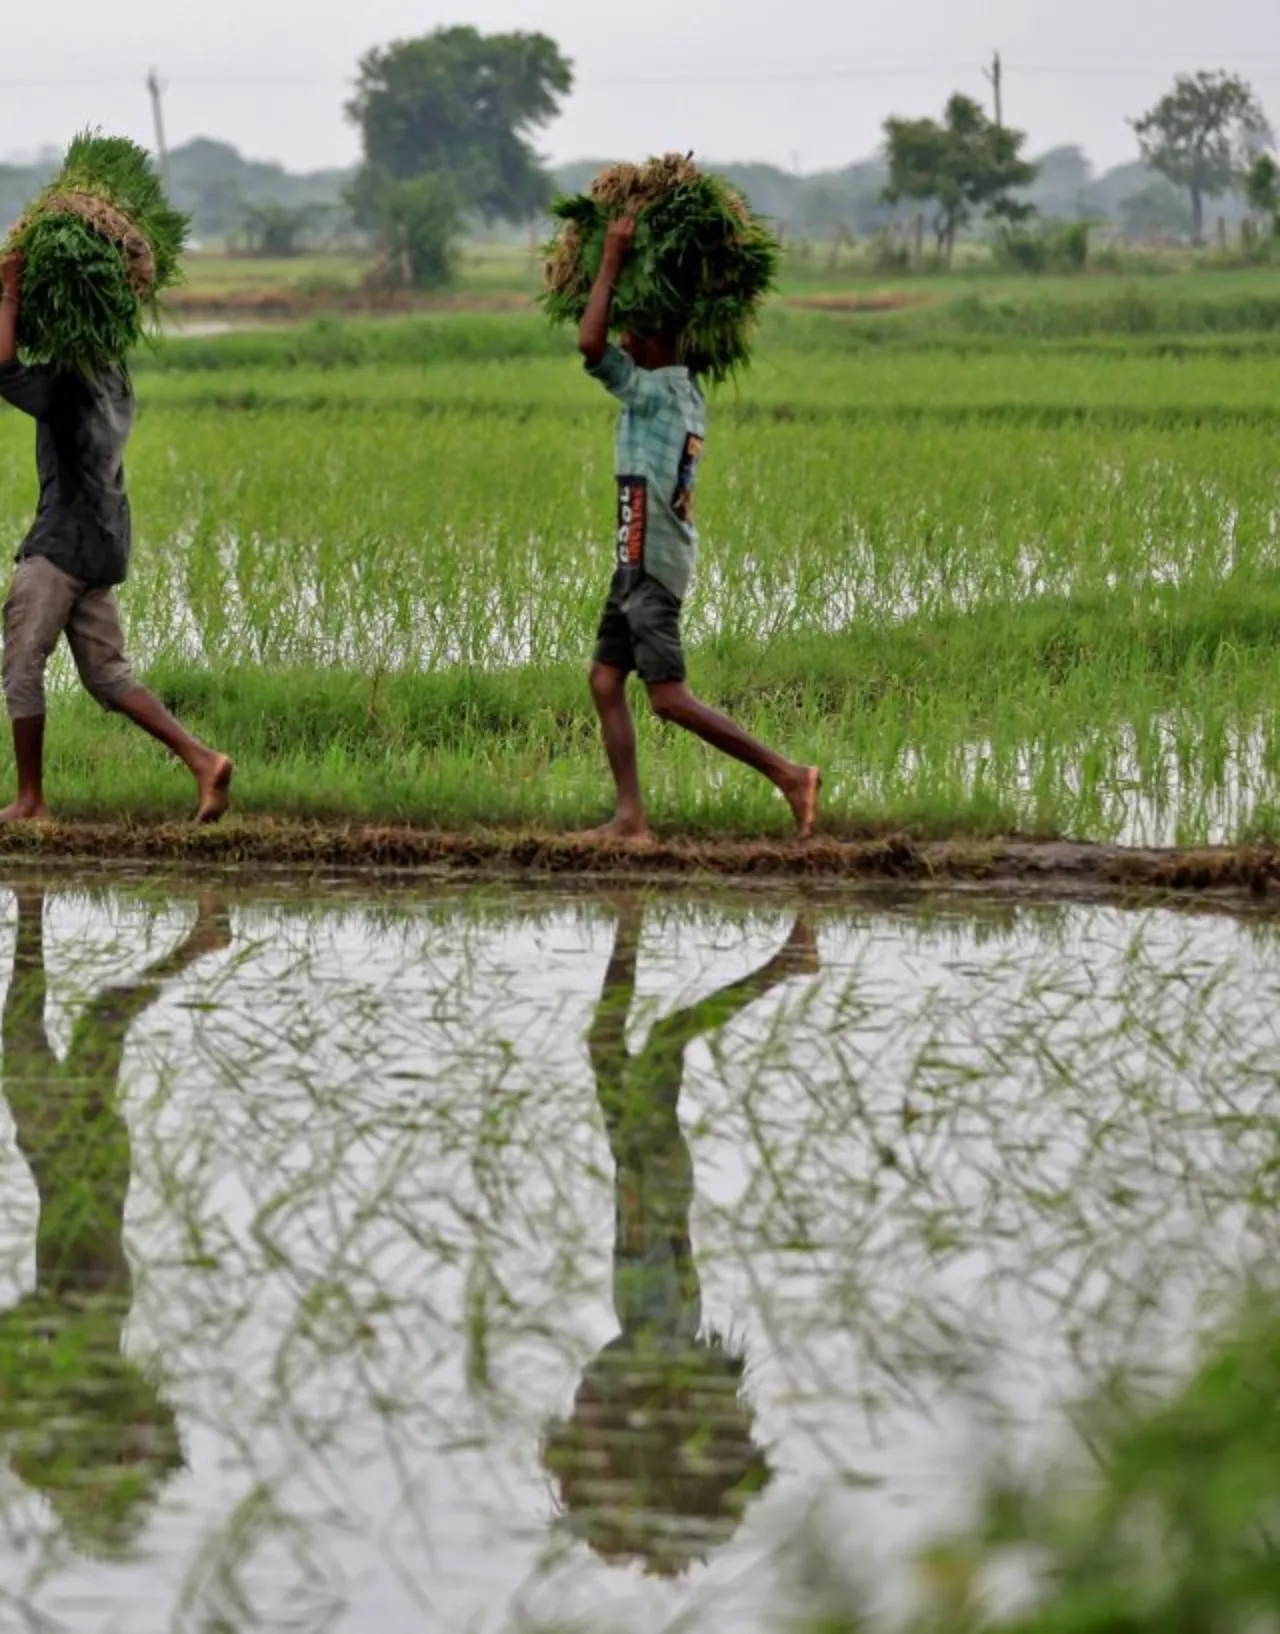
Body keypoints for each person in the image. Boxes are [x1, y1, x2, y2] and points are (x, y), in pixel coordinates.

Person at [541, 902, 820, 1575]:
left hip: (642, 1177)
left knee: (608, 1042)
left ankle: (630, 926)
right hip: (651, 1176)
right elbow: (656, 1237)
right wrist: (638, 1191)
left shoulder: (653, 1339)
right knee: (663, 1040)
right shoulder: (659, 1337)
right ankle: (786, 962)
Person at [0, 887, 230, 1554]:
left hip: (55, 1168)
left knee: (26, 1028)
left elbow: (7, 1368)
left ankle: (31, 911)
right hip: (82, 1182)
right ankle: (200, 939)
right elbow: (156, 1429)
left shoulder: (62, 1411)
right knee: (99, 1018)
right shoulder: (103, 1389)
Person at [577, 214, 820, 842]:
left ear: (658, 342)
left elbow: (588, 346)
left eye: (635, 330)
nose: (624, 339)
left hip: (651, 563)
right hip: (637, 558)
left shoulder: (656, 394)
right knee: (605, 680)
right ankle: (631, 818)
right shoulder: (681, 389)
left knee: (668, 699)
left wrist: (610, 258)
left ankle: (789, 775)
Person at [0, 249, 233, 825]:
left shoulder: (69, 383)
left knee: (22, 663)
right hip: (103, 541)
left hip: (62, 543)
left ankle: (30, 801)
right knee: (108, 675)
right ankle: (203, 760)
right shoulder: (115, 373)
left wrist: (12, 292)